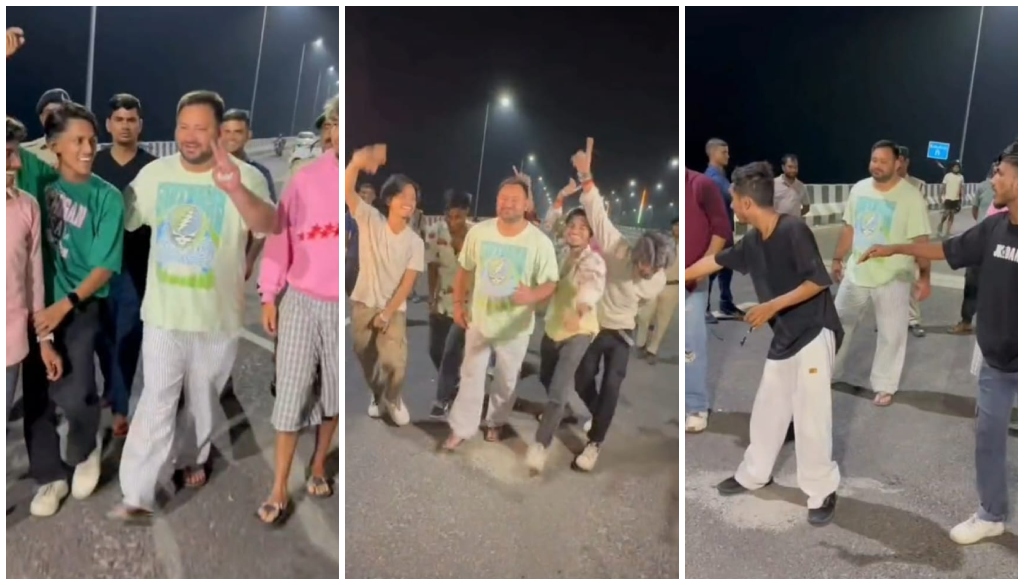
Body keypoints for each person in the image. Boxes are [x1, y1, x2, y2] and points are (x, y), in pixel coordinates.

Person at [110, 90, 276, 521]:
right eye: (184, 126)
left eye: (201, 128)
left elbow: (269, 224)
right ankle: (138, 491)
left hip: (217, 318)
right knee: (157, 400)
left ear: (219, 133)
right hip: (164, 314)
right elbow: (121, 217)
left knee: (202, 400)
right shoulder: (154, 174)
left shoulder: (244, 175)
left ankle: (192, 458)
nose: (189, 136)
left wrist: (235, 190)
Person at [859, 141, 1017, 545]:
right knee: (988, 436)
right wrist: (896, 247)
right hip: (998, 360)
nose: (992, 178)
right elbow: (946, 249)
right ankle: (991, 513)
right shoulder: (996, 227)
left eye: (1000, 172)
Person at [685, 161, 842, 526]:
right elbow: (712, 261)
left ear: (746, 204)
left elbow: (818, 281)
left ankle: (821, 489)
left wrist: (770, 306)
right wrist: (671, 275)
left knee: (811, 417)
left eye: (733, 200)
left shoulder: (794, 231)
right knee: (769, 407)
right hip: (786, 336)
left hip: (815, 333)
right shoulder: (754, 241)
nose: (731, 206)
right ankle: (754, 473)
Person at [17, 103, 125, 517]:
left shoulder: (106, 196)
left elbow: (104, 266)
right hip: (34, 304)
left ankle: (84, 448)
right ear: (53, 146)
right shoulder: (38, 177)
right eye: (77, 140)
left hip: (80, 306)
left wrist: (64, 305)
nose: (87, 148)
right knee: (39, 394)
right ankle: (49, 476)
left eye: (91, 140)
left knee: (79, 393)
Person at [256, 96, 341, 525]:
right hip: (302, 301)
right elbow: (278, 239)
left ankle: (321, 462)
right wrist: (269, 295)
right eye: (337, 123)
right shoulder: (304, 180)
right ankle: (278, 487)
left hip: (343, 307)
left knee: (335, 396)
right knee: (291, 392)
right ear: (329, 130)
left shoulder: (367, 194)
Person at [570, 138, 673, 470]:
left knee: (612, 384)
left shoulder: (656, 278)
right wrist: (587, 178)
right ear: (636, 254)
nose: (647, 271)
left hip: (622, 334)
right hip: (596, 326)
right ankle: (599, 415)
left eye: (654, 268)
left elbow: (644, 297)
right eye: (645, 264)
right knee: (582, 379)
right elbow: (597, 215)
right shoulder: (618, 251)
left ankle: (594, 443)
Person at [441, 173, 560, 452]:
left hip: (515, 327)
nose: (507, 204)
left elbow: (551, 283)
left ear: (527, 204)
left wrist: (531, 294)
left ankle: (495, 421)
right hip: (480, 320)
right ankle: (462, 427)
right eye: (503, 198)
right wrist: (458, 305)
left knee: (506, 381)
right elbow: (464, 270)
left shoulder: (539, 242)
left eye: (514, 200)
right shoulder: (479, 233)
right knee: (470, 375)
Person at [829, 140, 931, 407]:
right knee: (838, 324)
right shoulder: (859, 189)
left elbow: (921, 240)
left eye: (883, 161)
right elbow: (849, 228)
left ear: (897, 163)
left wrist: (924, 277)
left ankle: (885, 385)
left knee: (891, 333)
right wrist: (838, 258)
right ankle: (828, 371)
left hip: (894, 276)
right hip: (857, 272)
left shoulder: (911, 196)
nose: (877, 165)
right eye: (874, 160)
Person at [526, 178, 606, 473]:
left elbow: (592, 286)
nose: (575, 231)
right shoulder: (559, 251)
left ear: (590, 235)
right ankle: (566, 411)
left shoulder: (593, 261)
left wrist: (581, 308)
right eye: (572, 226)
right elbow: (545, 228)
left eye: (582, 228)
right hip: (553, 327)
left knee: (558, 389)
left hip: (580, 330)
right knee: (546, 377)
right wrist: (559, 197)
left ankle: (540, 445)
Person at [91, 93, 157, 438]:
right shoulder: (95, 163)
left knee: (128, 337)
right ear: (108, 125)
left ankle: (120, 405)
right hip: (98, 270)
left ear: (140, 125)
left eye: (132, 120)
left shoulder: (152, 166)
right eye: (119, 119)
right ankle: (112, 390)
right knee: (102, 337)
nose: (126, 126)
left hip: (137, 269)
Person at [347, 145, 424, 427]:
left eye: (413, 198)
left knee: (396, 363)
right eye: (402, 195)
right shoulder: (370, 220)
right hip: (363, 304)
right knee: (366, 360)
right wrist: (356, 163)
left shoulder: (415, 242)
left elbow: (408, 283)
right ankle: (378, 394)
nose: (408, 201)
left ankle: (394, 397)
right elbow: (347, 190)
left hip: (393, 310)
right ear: (389, 199)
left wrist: (387, 313)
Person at [6, 117, 62, 425]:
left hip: (11, 345)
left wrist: (44, 341)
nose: (16, 164)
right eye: (8, 154)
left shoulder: (28, 207)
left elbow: (34, 280)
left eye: (16, 153)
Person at [679, 170, 730, 432]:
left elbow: (721, 230)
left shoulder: (701, 185)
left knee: (691, 346)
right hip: (663, 281)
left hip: (692, 283)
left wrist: (702, 268)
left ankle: (696, 406)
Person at [426, 190, 473, 419]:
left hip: (466, 305)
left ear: (466, 213)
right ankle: (456, 382)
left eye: (458, 217)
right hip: (442, 300)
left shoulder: (476, 235)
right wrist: (431, 296)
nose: (452, 222)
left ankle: (442, 398)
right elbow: (433, 266)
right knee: (434, 350)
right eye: (449, 216)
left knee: (451, 350)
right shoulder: (435, 232)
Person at [949, 161, 998, 335]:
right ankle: (966, 321)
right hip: (979, 242)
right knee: (971, 284)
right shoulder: (984, 187)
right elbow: (975, 210)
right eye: (996, 169)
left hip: (1001, 246)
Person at [704, 137, 742, 320]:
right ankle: (704, 309)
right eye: (723, 152)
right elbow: (731, 196)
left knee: (727, 268)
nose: (728, 155)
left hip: (725, 231)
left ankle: (726, 303)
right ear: (712, 153)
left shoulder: (721, 176)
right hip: (715, 234)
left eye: (727, 152)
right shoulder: (712, 178)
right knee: (711, 271)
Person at [636, 216, 683, 366]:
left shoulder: (689, 246)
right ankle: (641, 342)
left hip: (674, 286)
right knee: (644, 315)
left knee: (663, 321)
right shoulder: (663, 243)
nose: (677, 228)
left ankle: (652, 350)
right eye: (675, 225)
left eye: (680, 226)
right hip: (655, 284)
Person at [895, 145, 929, 338]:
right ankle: (887, 320)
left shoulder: (918, 185)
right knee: (888, 283)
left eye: (900, 160)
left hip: (911, 240)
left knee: (913, 281)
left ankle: (913, 320)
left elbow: (920, 215)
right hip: (890, 242)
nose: (897, 164)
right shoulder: (884, 183)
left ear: (907, 162)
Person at [22, 88, 72, 168]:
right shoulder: (25, 153)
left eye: (61, 112)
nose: (55, 117)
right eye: (49, 112)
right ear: (41, 118)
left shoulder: (86, 149)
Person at [937, 161, 965, 238]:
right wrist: (940, 195)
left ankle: (948, 231)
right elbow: (943, 186)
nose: (956, 168)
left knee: (952, 214)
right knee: (946, 213)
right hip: (948, 198)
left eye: (958, 167)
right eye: (955, 167)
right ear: (952, 168)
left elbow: (962, 188)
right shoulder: (947, 176)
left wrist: (962, 197)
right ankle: (941, 224)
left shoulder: (961, 177)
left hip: (956, 198)